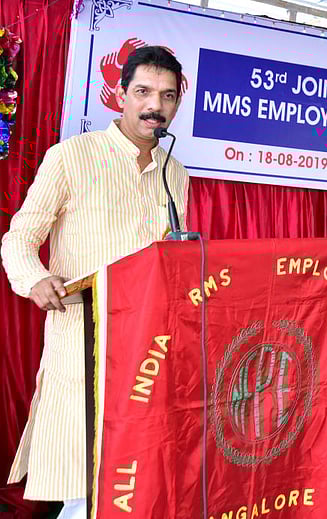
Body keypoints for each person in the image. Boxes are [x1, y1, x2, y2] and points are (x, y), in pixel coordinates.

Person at [1, 47, 190, 516]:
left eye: (167, 96)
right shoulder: (71, 157)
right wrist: (36, 279)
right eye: (143, 92)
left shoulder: (175, 173)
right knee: (80, 479)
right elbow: (19, 238)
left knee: (138, 477)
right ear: (120, 95)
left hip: (149, 349)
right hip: (82, 337)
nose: (155, 106)